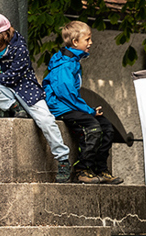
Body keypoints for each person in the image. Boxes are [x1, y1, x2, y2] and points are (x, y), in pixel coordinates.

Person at [0, 13, 72, 183]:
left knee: (46, 120)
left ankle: (62, 160)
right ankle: (15, 107)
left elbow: (14, 76)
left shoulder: (19, 48)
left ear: (3, 35)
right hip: (5, 90)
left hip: (26, 89)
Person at [43, 21, 123, 184]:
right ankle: (82, 170)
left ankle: (100, 169)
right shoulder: (64, 65)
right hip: (61, 108)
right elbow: (67, 95)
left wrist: (89, 110)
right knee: (92, 126)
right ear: (75, 42)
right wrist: (89, 111)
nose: (91, 43)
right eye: (87, 39)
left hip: (70, 105)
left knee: (107, 127)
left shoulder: (73, 62)